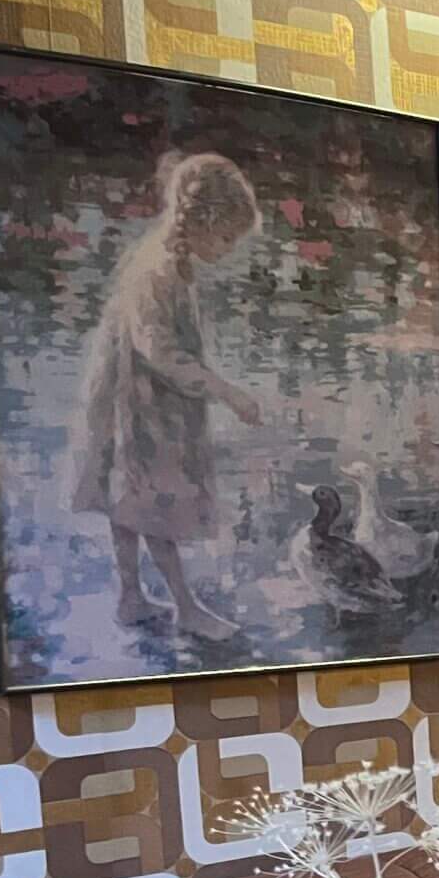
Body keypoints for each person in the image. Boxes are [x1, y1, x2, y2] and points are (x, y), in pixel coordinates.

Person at [71, 151, 265, 642]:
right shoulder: (157, 269)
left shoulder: (171, 261)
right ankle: (185, 606)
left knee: (128, 497)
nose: (227, 249)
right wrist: (226, 391)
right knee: (150, 501)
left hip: (137, 395)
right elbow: (159, 350)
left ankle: (130, 597)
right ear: (203, 222)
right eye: (225, 237)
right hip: (137, 401)